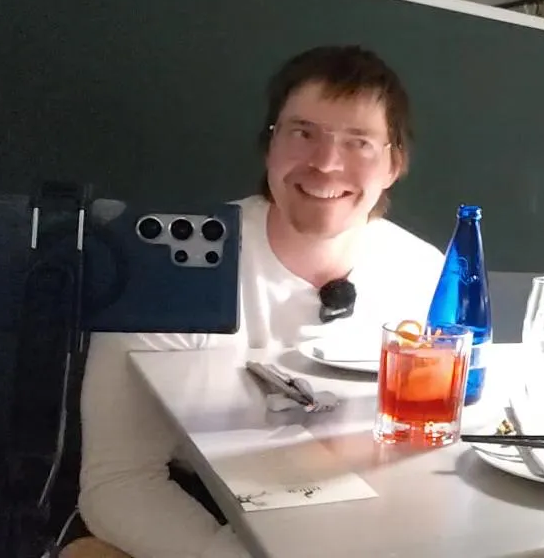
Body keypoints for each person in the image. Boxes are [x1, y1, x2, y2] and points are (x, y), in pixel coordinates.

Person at [73, 46, 445, 558]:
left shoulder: (424, 274)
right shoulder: (166, 269)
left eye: (358, 142)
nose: (326, 163)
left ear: (393, 164)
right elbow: (117, 483)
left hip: (358, 515)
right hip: (198, 513)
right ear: (270, 146)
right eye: (303, 133)